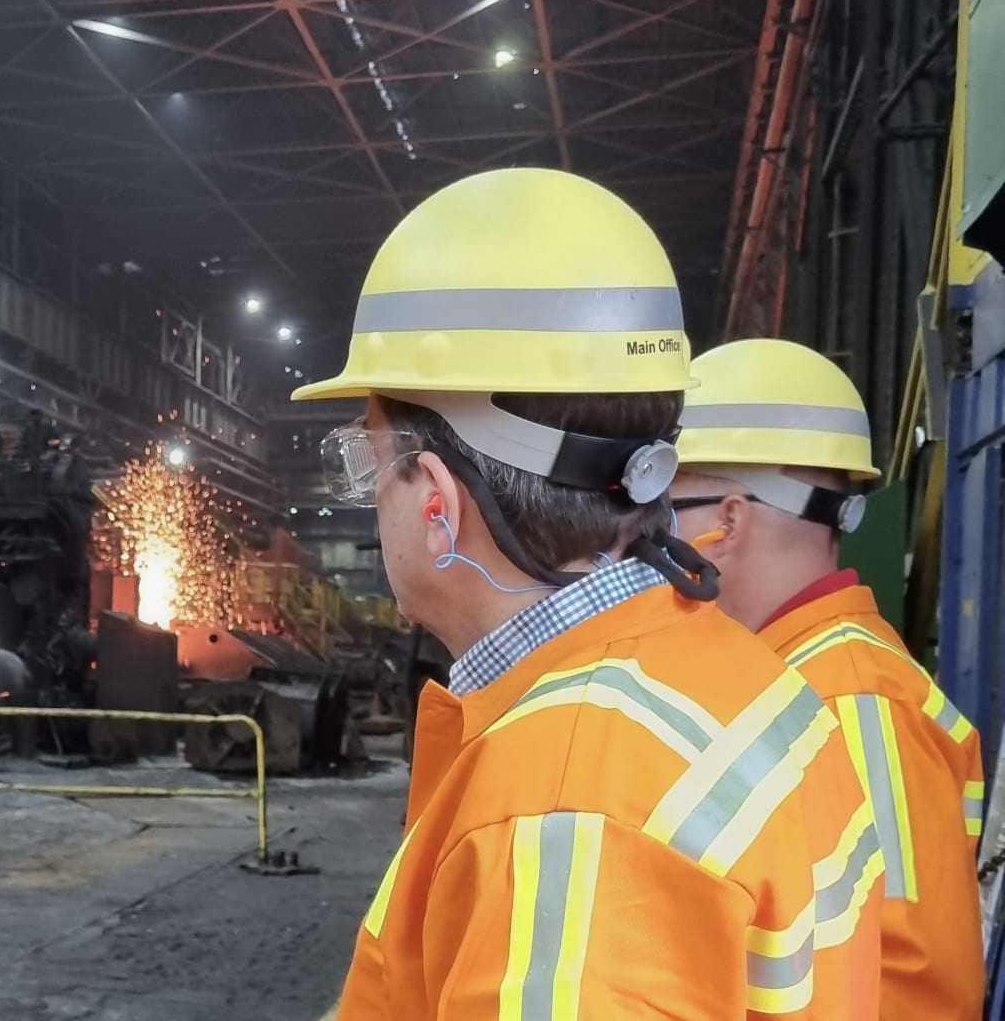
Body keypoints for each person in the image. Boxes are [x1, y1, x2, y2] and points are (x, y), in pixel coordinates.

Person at [298, 168, 884, 1017]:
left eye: (368, 463)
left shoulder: (561, 811)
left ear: (434, 498)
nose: (369, 494)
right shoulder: (727, 673)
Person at [672, 337, 985, 1017]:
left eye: (664, 513)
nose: (648, 543)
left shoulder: (850, 694)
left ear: (728, 518)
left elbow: (910, 979)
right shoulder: (801, 676)